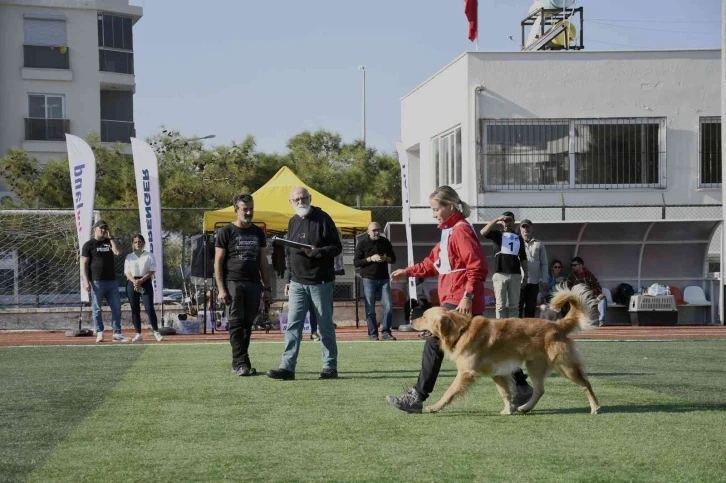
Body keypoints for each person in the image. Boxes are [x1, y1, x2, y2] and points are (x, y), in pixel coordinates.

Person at [386, 186, 532, 413]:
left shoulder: (460, 231)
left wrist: (468, 295)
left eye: (435, 209)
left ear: (450, 206)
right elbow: (432, 263)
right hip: (455, 298)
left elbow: (478, 266)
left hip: (460, 300)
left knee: (434, 344)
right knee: (490, 349)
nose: (433, 214)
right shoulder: (449, 231)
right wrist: (408, 271)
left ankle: (417, 396)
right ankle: (521, 386)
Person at [266, 187, 342, 381]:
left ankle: (329, 366)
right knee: (293, 325)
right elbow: (291, 252)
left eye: (303, 198)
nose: (300, 202)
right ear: (291, 202)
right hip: (298, 284)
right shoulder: (292, 221)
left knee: (324, 326)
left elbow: (336, 247)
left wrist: (319, 252)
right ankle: (287, 368)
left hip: (321, 282)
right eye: (296, 199)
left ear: (310, 198)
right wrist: (290, 279)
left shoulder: (323, 218)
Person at [215, 193, 272, 377]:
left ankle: (243, 362)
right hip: (233, 283)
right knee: (236, 324)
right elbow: (218, 263)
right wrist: (222, 289)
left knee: (248, 324)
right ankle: (239, 363)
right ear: (236, 210)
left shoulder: (258, 233)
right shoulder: (226, 232)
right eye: (244, 209)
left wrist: (267, 287)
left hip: (254, 284)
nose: (248, 212)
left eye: (251, 209)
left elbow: (263, 261)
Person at [81, 219, 126, 343]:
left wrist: (111, 238)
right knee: (97, 309)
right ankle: (99, 332)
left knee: (116, 307)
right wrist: (85, 281)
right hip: (96, 282)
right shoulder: (88, 245)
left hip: (111, 281)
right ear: (95, 229)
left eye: (105, 228)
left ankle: (117, 333)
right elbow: (83, 264)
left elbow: (117, 252)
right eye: (101, 228)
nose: (103, 230)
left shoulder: (109, 242)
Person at [354, 221, 397, 341]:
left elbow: (393, 259)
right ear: (368, 232)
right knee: (370, 308)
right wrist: (370, 258)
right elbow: (356, 262)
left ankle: (386, 332)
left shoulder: (385, 242)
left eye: (378, 229)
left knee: (388, 305)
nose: (376, 232)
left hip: (384, 278)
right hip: (368, 279)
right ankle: (372, 334)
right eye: (374, 230)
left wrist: (386, 258)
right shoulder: (362, 244)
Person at [480, 211, 528, 319]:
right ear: (502, 222)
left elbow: (523, 257)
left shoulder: (518, 237)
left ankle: (513, 331)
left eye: (510, 220)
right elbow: (483, 232)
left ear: (514, 221)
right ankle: (500, 329)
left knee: (514, 306)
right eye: (505, 220)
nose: (507, 222)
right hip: (500, 273)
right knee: (500, 305)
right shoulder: (498, 234)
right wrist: (497, 219)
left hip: (515, 275)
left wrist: (526, 275)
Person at [124, 234, 164, 342]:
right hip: (132, 283)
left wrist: (141, 280)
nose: (138, 244)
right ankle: (138, 333)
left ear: (143, 243)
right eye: (136, 242)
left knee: (149, 308)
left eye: (140, 242)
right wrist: (134, 281)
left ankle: (156, 331)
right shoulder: (129, 256)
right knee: (135, 308)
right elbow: (127, 272)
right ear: (133, 244)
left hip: (145, 282)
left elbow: (152, 270)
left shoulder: (149, 256)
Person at [518, 219, 548, 318]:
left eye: (528, 227)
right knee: (518, 307)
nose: (526, 229)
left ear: (532, 229)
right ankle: (516, 331)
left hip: (534, 281)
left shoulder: (539, 244)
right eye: (523, 227)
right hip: (519, 281)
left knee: (531, 308)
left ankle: (528, 332)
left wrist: (544, 279)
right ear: (520, 229)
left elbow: (544, 263)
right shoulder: (516, 242)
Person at [567, 256, 607, 326]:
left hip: (591, 296)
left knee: (602, 298)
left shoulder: (589, 274)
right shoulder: (571, 276)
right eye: (572, 265)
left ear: (581, 265)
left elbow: (597, 286)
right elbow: (568, 288)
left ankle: (601, 320)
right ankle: (579, 322)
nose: (573, 267)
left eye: (575, 265)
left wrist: (592, 291)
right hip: (579, 297)